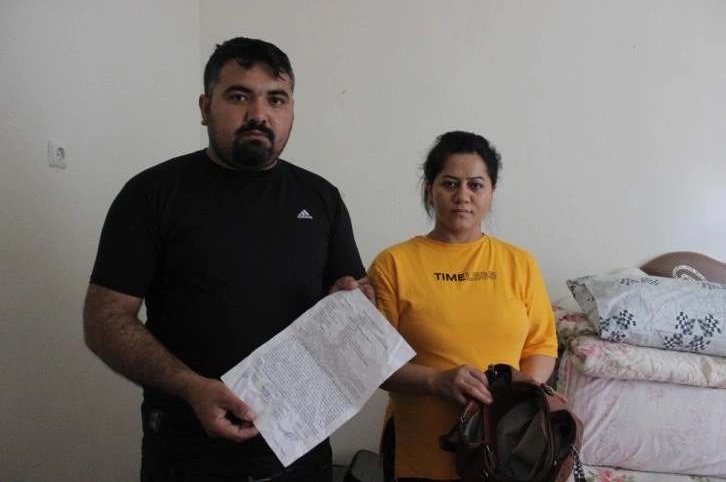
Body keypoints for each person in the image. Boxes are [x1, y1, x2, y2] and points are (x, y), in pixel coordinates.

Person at [83, 36, 372, 481]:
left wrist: (353, 303)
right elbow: (105, 319)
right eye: (239, 96)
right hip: (187, 456)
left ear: (292, 110)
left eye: (276, 99)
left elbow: (352, 298)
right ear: (205, 107)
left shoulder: (322, 197)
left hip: (302, 453)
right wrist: (190, 386)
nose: (259, 113)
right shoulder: (151, 194)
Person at [367, 131, 558, 481]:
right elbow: (373, 364)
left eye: (476, 185)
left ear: (492, 191)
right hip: (422, 457)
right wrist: (437, 381)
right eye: (450, 184)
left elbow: (542, 346)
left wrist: (516, 396)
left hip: (503, 456)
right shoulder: (393, 264)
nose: (463, 196)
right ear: (430, 188)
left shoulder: (520, 264)